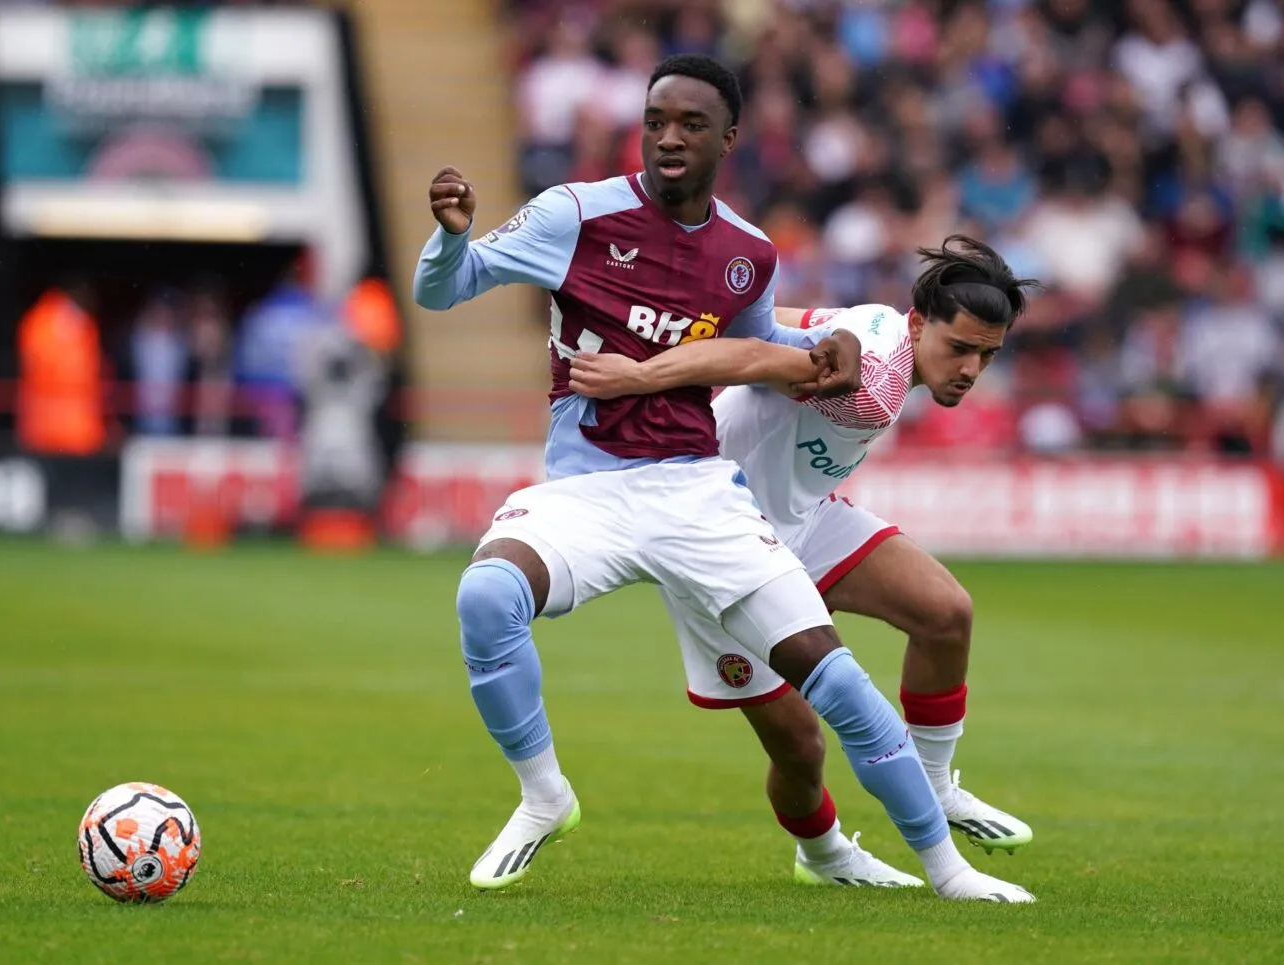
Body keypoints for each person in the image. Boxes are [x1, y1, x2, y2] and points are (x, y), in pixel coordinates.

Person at [415, 55, 1033, 902]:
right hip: (593, 485)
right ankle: (544, 794)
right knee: (489, 597)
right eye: (655, 121)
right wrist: (452, 238)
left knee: (871, 660)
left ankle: (942, 858)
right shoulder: (576, 214)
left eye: (691, 124)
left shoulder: (749, 253)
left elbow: (758, 340)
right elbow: (446, 291)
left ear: (729, 138)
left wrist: (801, 347)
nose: (668, 137)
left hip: (706, 493)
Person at [569, 236, 1040, 875]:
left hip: (804, 515)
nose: (970, 369)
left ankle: (932, 785)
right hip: (719, 543)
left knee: (945, 612)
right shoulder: (870, 387)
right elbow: (753, 356)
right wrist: (642, 374)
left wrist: (716, 322)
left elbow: (772, 322)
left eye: (987, 354)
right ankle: (823, 855)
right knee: (799, 747)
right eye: (959, 348)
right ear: (918, 325)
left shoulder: (876, 321)